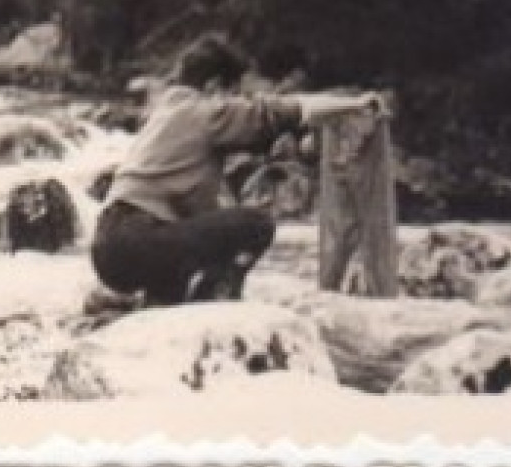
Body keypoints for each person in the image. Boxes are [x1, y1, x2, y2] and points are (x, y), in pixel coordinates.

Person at [90, 34, 388, 307]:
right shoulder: (206, 111)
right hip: (140, 241)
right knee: (255, 224)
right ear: (213, 86)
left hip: (107, 247)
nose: (236, 100)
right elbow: (286, 110)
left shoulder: (165, 111)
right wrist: (354, 104)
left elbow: (199, 207)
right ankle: (220, 303)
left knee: (191, 244)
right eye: (233, 92)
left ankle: (158, 306)